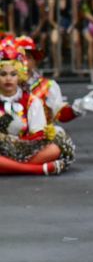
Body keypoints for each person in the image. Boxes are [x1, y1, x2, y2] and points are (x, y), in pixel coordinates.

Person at [0, 39, 73, 175]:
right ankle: (37, 169)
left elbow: (38, 135)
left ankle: (9, 168)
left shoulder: (32, 101)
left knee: (55, 148)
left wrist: (16, 142)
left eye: (13, 74)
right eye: (3, 74)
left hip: (25, 150)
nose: (8, 79)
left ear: (20, 76)